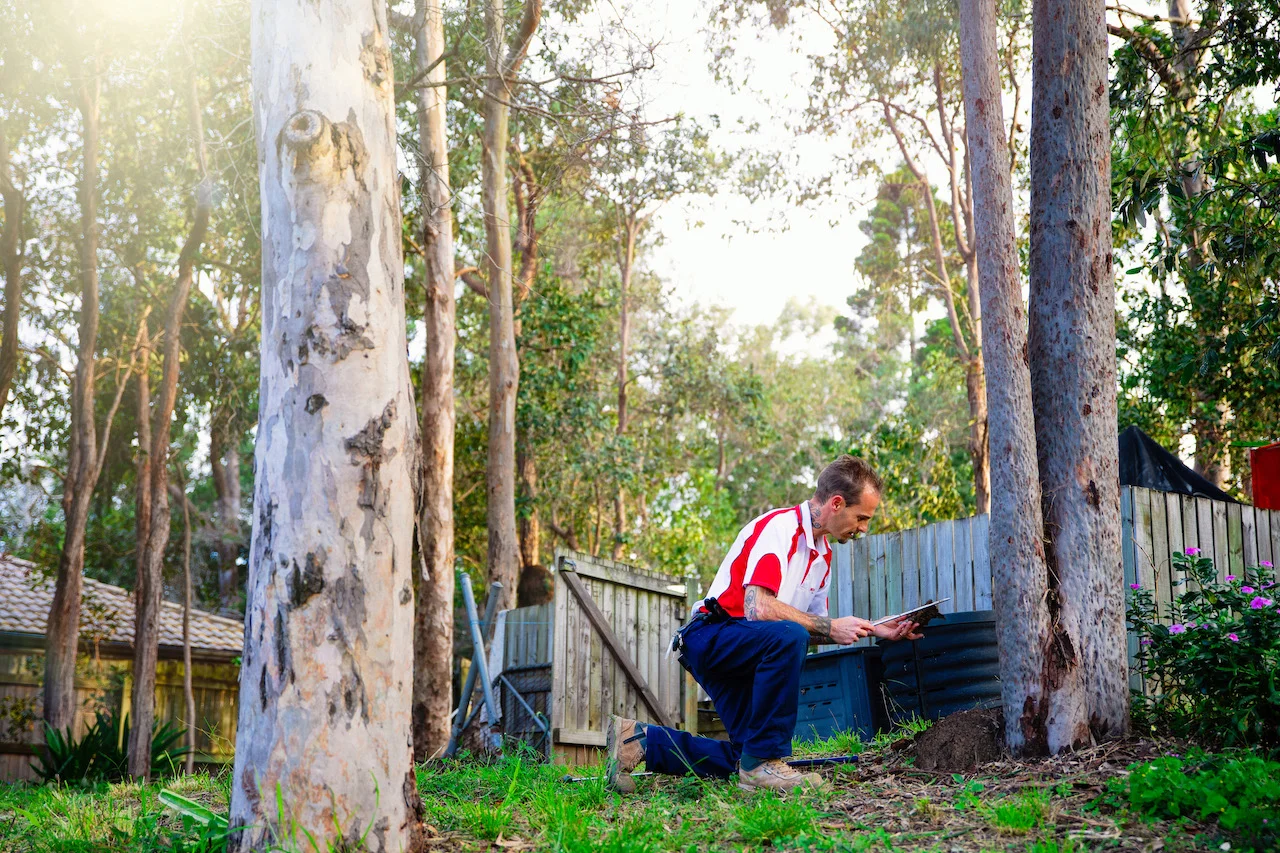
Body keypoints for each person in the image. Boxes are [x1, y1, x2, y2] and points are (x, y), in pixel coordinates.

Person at [606, 455, 922, 793]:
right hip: (711, 635)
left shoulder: (823, 556)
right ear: (837, 502)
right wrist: (830, 626)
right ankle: (766, 763)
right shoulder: (780, 528)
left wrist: (875, 629)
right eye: (861, 518)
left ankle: (639, 741)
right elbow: (758, 607)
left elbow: (810, 630)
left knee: (745, 756)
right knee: (787, 638)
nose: (863, 528)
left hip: (749, 648)